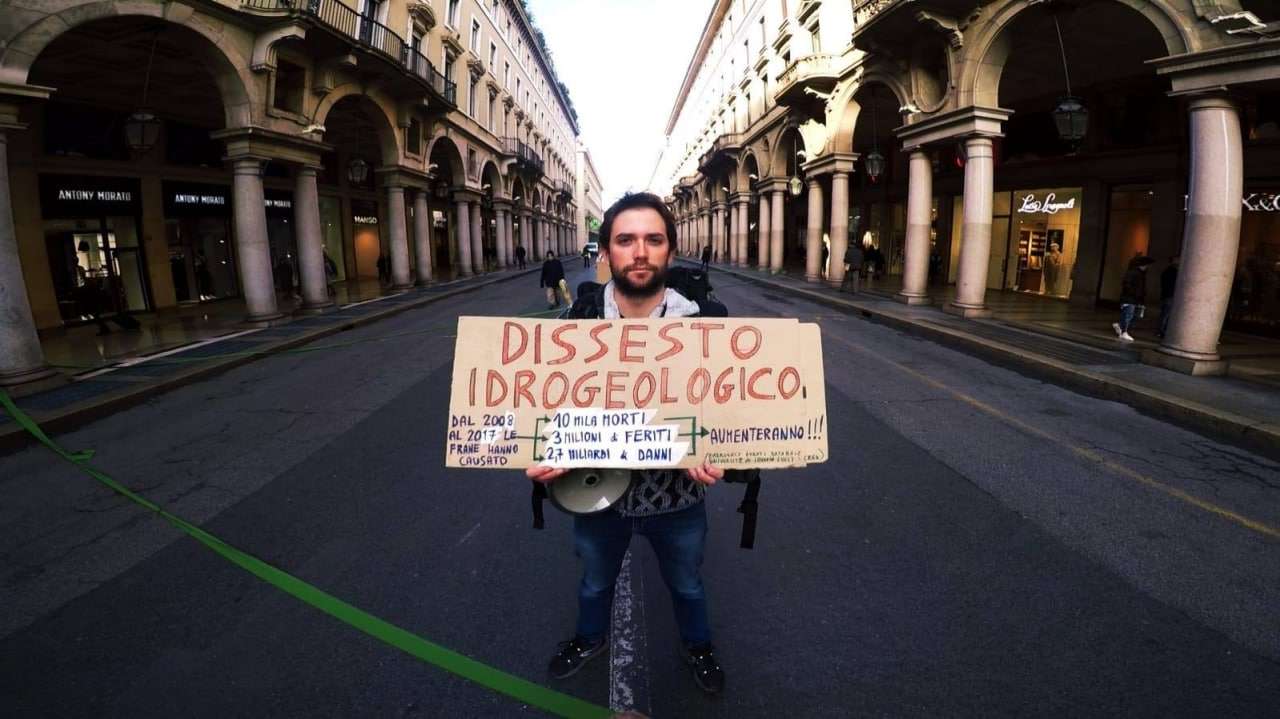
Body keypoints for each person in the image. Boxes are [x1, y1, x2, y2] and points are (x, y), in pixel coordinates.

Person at [527, 192, 747, 695]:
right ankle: (589, 638)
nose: (640, 251)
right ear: (607, 251)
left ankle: (698, 646)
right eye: (626, 240)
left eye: (654, 239)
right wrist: (536, 454)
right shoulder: (574, 326)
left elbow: (732, 411)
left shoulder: (707, 325)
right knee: (594, 582)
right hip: (595, 495)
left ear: (670, 250)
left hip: (679, 498)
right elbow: (541, 409)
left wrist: (720, 454)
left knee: (688, 584)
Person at [1113, 255, 1154, 342]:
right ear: (1142, 265)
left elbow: (1141, 288)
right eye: (1146, 265)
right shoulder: (1134, 273)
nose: (1147, 267)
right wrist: (1134, 294)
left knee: (1131, 315)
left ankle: (1120, 326)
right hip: (1129, 298)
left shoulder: (1141, 274)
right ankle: (1124, 332)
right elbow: (1127, 284)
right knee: (1128, 315)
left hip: (1134, 298)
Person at [1158, 255, 1180, 339]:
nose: (1179, 262)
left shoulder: (1168, 271)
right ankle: (1162, 331)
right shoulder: (1172, 272)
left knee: (1165, 314)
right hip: (1169, 295)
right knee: (1166, 314)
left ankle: (1162, 331)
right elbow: (1170, 285)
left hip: (1167, 295)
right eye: (1178, 260)